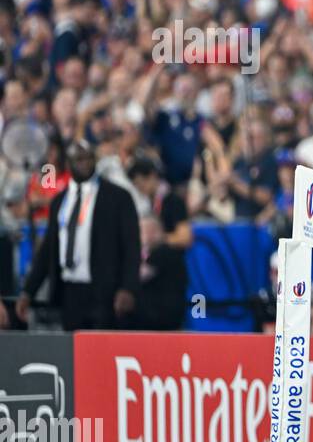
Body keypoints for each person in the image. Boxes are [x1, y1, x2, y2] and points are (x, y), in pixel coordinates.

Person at [17, 139, 141, 331]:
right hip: (70, 292)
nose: (85, 163)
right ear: (68, 162)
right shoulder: (59, 201)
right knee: (73, 354)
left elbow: (132, 246)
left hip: (105, 292)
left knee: (102, 353)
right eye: (79, 159)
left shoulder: (118, 197)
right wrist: (28, 292)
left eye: (89, 158)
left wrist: (128, 287)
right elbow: (49, 248)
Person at [130, 213, 188, 331]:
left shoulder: (164, 252)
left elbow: (138, 276)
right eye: (143, 231)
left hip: (162, 318)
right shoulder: (148, 254)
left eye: (151, 231)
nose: (147, 235)